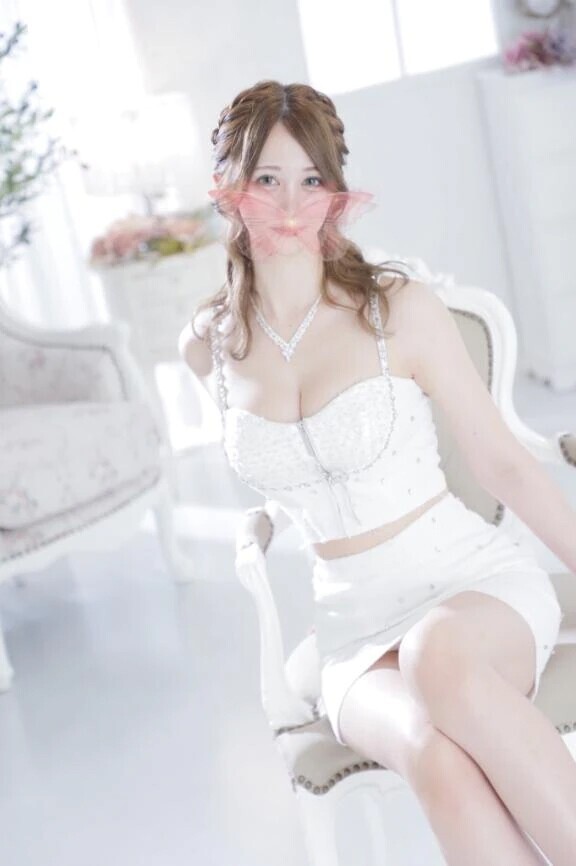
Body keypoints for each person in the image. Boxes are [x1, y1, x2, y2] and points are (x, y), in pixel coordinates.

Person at [179, 79, 576, 866]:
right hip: (350, 629)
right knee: (433, 754)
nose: (290, 205)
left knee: (438, 657)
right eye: (267, 179)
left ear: (335, 192)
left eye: (311, 180)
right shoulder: (206, 345)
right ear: (229, 188)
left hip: (471, 586)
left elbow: (502, 462)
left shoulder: (398, 308)